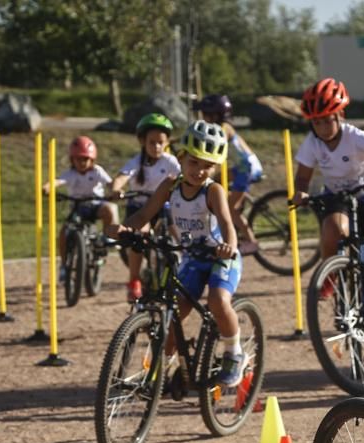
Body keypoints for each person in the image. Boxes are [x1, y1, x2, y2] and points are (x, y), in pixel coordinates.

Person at [115, 121, 247, 386]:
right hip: (193, 259)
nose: (199, 171)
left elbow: (226, 225)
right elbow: (144, 214)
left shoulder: (213, 191)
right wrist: (123, 228)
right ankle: (159, 367)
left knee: (218, 301)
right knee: (175, 313)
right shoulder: (170, 186)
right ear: (181, 158)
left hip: (221, 258)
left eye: (208, 165)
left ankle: (235, 353)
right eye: (194, 162)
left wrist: (229, 247)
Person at [292, 78, 364, 274]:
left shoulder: (354, 136)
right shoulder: (312, 143)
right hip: (337, 196)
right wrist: (300, 192)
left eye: (327, 120)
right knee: (332, 230)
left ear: (340, 115)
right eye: (317, 122)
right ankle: (329, 275)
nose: (323, 128)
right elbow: (302, 177)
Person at [111, 113, 180, 302]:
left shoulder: (170, 162)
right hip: (140, 209)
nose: (157, 147)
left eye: (161, 142)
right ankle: (134, 279)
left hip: (163, 208)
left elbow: (183, 178)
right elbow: (121, 177)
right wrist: (117, 189)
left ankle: (184, 262)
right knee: (139, 236)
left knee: (179, 232)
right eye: (152, 142)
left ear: (167, 142)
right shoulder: (136, 162)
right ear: (143, 141)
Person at [42, 136, 117, 283]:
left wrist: (115, 190)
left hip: (95, 205)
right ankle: (64, 265)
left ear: (92, 160)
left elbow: (110, 184)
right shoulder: (71, 174)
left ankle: (106, 238)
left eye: (85, 159)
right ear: (72, 160)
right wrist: (48, 186)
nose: (82, 163)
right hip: (77, 208)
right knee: (64, 232)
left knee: (109, 209)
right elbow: (58, 181)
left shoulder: (97, 171)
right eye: (78, 159)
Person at [194, 94, 264, 251]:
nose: (203, 118)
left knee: (230, 208)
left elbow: (216, 152)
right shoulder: (221, 127)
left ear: (215, 115)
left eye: (205, 115)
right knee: (218, 180)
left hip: (246, 169)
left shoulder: (223, 129)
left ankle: (251, 241)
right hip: (242, 168)